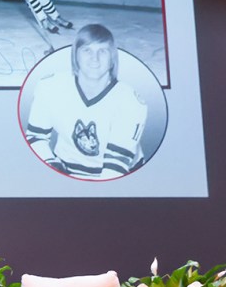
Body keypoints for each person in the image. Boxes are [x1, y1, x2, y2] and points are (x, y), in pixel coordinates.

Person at [26, 23, 147, 179]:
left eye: (102, 51)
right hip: (64, 168)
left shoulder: (130, 101)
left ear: (112, 59)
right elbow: (36, 137)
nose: (94, 59)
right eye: (87, 50)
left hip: (120, 178)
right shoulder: (49, 87)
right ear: (75, 55)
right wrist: (53, 167)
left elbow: (115, 166)